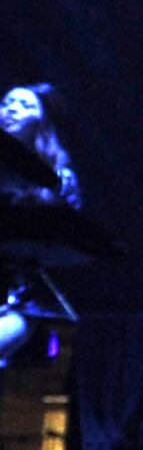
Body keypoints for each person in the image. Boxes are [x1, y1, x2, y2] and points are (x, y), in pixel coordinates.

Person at [0, 82, 80, 374]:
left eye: (24, 105)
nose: (11, 109)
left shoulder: (59, 177)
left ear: (41, 121)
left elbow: (68, 236)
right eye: (7, 102)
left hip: (21, 293)